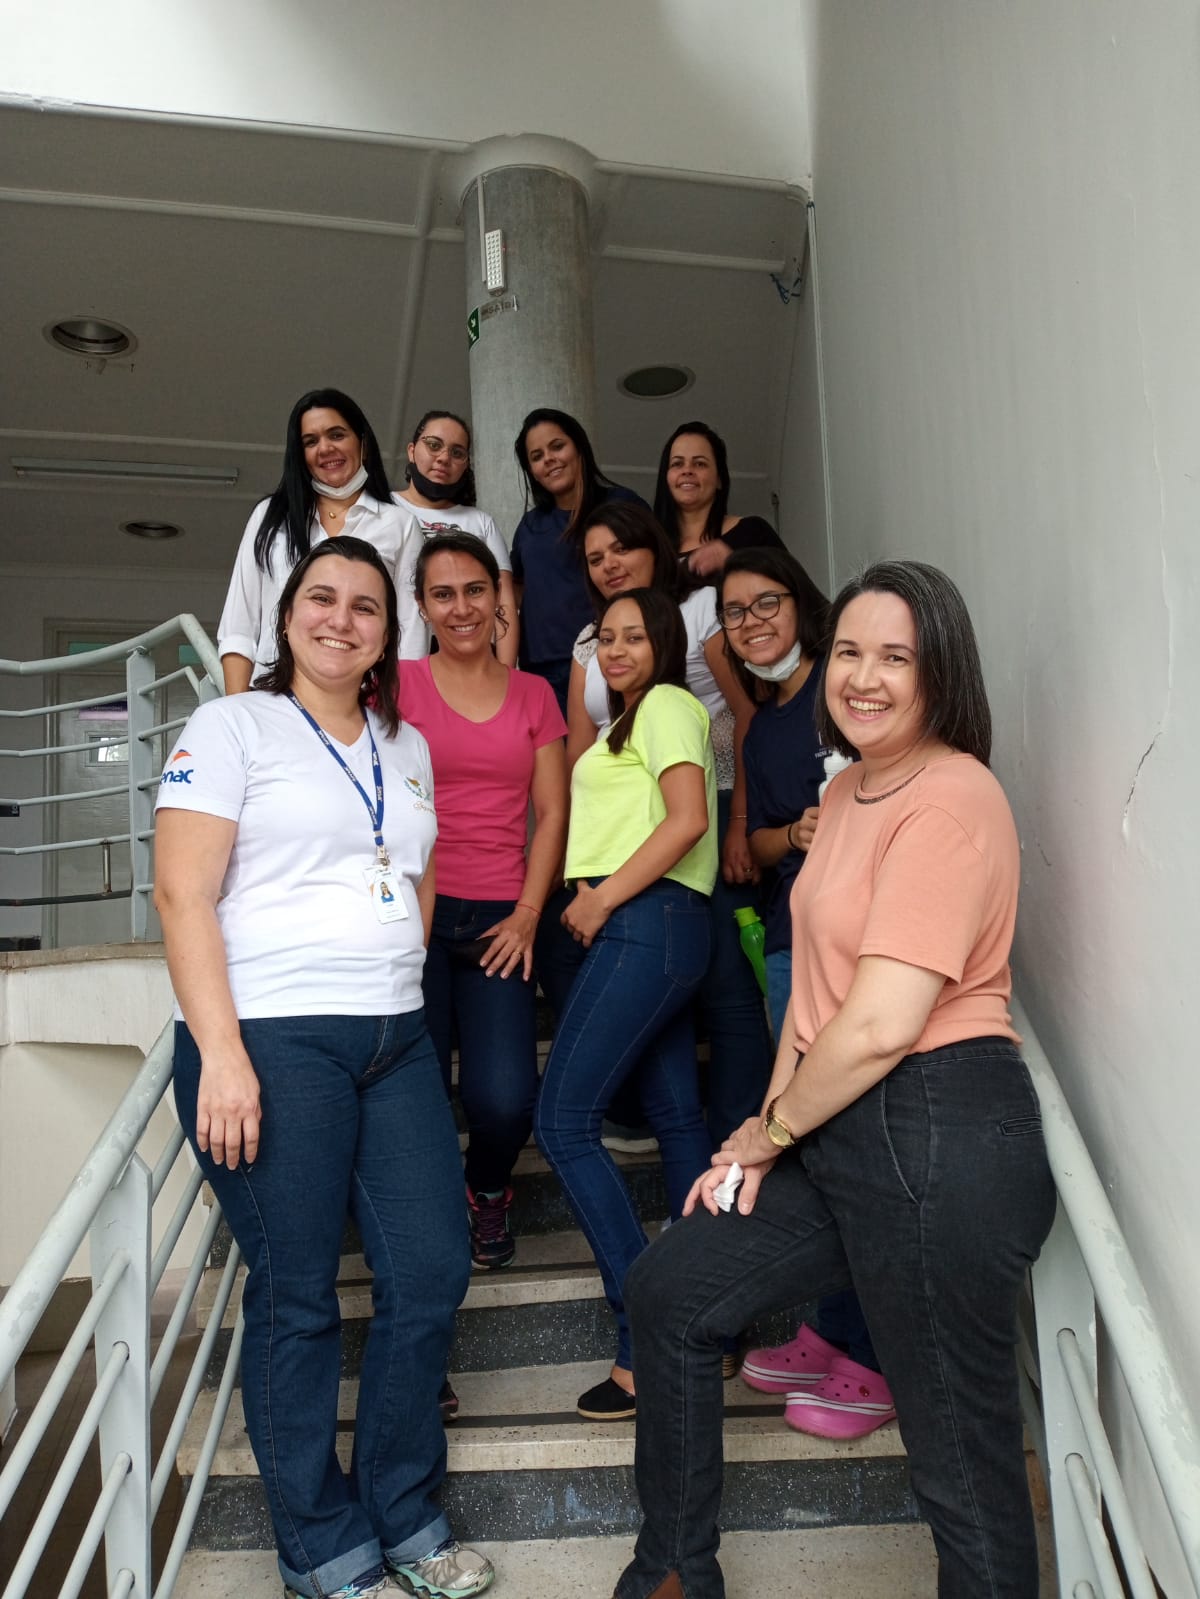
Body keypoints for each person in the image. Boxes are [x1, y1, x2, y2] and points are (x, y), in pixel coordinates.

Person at [616, 561, 1057, 1599]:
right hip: (841, 1119)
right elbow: (816, 998)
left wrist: (773, 1131)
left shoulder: (954, 794)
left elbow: (883, 1020)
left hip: (939, 1122)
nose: (864, 676)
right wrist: (764, 1135)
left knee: (959, 1464)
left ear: (940, 671)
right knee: (671, 1291)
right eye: (850, 651)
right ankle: (673, 1574)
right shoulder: (849, 789)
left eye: (895, 656)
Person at [156, 535, 493, 1599]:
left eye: (365, 605)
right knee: (298, 1293)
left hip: (394, 1039)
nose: (341, 618)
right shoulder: (232, 725)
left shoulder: (406, 742)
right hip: (271, 1034)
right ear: (288, 612)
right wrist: (222, 1052)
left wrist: (392, 963)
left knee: (430, 1269)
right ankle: (320, 1545)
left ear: (389, 633)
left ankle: (403, 1511)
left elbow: (415, 873)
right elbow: (181, 893)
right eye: (321, 597)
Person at [718, 548, 894, 1436]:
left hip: (870, 945)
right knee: (817, 1152)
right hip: (793, 944)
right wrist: (798, 830)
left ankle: (877, 1356)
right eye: (735, 612)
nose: (753, 622)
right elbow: (754, 843)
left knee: (860, 1150)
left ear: (802, 604)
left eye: (767, 602)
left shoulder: (846, 690)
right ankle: (831, 1330)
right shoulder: (760, 728)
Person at [533, 588, 717, 1421]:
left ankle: (646, 1330)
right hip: (649, 924)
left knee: (562, 1121)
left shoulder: (669, 704)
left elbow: (686, 821)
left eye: (633, 636)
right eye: (604, 637)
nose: (614, 649)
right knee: (676, 1115)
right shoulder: (624, 722)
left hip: (644, 917)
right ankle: (701, 1317)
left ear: (665, 643)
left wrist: (601, 899)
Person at [563, 503, 773, 1144]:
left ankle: (736, 1142)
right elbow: (578, 749)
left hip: (703, 800)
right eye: (595, 558)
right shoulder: (588, 640)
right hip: (623, 826)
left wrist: (737, 822)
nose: (609, 565)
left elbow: (745, 714)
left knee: (728, 987)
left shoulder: (699, 610)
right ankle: (658, 1126)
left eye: (621, 549)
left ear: (654, 548)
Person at [397, 532, 567, 1270]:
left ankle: (486, 1186)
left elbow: (552, 814)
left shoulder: (534, 694)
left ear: (499, 598)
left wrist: (528, 915)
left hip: (502, 917)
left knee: (505, 1099)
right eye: (443, 593)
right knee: (420, 1091)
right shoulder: (395, 685)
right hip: (415, 917)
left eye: (475, 590)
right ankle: (430, 1216)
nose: (461, 607)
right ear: (421, 606)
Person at [218, 388, 422, 693]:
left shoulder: (400, 524)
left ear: (363, 444)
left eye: (336, 435)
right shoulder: (270, 517)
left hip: (363, 701)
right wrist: (238, 709)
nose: (324, 448)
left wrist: (391, 710)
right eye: (310, 441)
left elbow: (410, 634)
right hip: (272, 696)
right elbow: (239, 626)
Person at [511, 407, 647, 715]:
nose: (549, 459)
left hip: (607, 658)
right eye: (537, 456)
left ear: (579, 447)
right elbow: (516, 585)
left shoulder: (622, 504)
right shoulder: (530, 525)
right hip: (541, 672)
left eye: (557, 446)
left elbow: (656, 569)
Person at [394, 409, 519, 664]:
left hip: (471, 663)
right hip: (394, 661)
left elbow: (504, 601)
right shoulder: (383, 508)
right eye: (434, 445)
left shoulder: (481, 522)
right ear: (411, 450)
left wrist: (508, 675)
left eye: (457, 452)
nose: (444, 458)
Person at [653, 420, 786, 587]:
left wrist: (736, 562)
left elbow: (799, 591)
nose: (687, 470)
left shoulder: (754, 533)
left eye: (700, 463)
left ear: (719, 479)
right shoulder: (651, 548)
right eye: (677, 464)